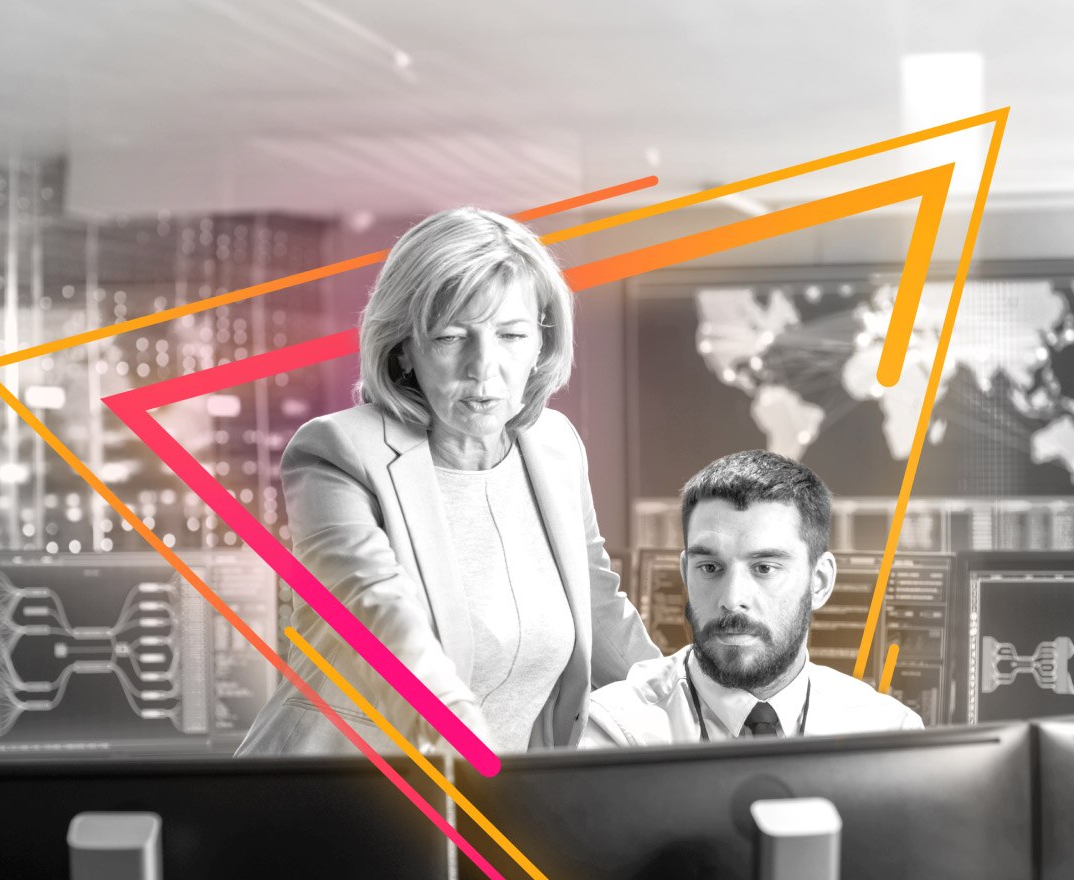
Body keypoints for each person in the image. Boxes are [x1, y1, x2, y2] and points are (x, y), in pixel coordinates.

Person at [237, 207, 658, 756]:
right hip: (336, 798)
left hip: (485, 806)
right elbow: (385, 625)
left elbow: (600, 610)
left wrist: (698, 711)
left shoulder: (554, 447)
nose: (483, 368)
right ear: (404, 348)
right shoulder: (337, 454)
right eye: (451, 337)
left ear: (541, 343)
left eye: (511, 334)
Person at [580, 450, 922, 748]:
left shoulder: (888, 734)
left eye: (764, 568)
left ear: (819, 582)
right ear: (685, 574)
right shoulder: (617, 732)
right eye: (710, 567)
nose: (732, 599)